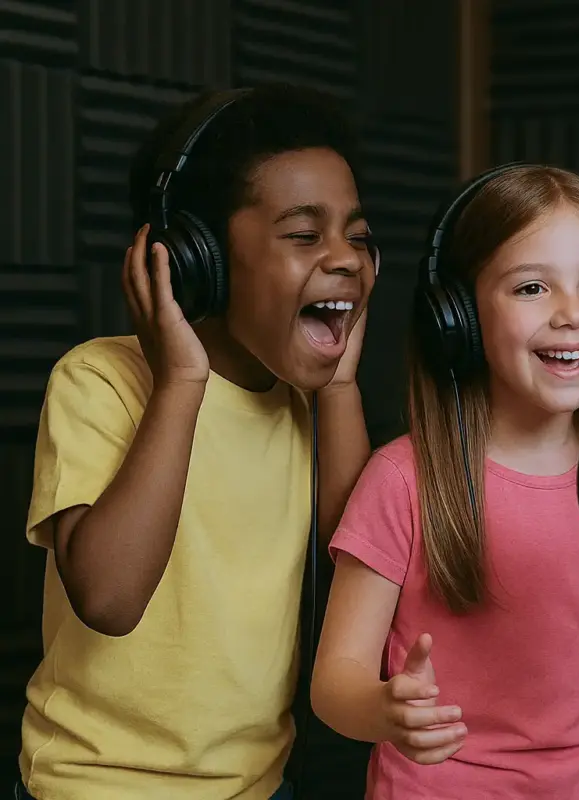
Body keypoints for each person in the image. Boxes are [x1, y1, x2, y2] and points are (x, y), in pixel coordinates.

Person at [17, 85, 375, 800]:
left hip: (257, 785)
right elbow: (110, 600)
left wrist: (337, 389)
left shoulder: (305, 404)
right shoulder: (97, 382)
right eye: (305, 235)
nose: (343, 258)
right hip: (97, 786)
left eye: (359, 237)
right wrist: (181, 382)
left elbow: (357, 563)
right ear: (195, 258)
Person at [309, 163, 579, 800]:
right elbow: (334, 682)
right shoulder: (402, 480)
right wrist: (386, 711)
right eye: (532, 288)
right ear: (461, 318)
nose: (572, 314)